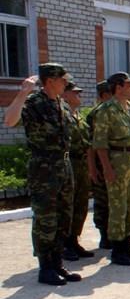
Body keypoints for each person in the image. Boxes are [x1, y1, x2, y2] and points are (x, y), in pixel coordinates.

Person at [4, 65, 81, 285]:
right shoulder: (33, 103)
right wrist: (22, 93)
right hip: (44, 167)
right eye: (62, 80)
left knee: (63, 216)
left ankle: (57, 263)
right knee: (46, 219)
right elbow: (9, 121)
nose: (66, 84)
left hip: (64, 165)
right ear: (49, 81)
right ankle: (45, 267)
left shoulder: (62, 103)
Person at [93, 72, 130, 266]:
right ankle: (117, 250)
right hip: (117, 161)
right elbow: (100, 143)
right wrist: (107, 167)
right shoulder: (106, 110)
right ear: (119, 87)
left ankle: (128, 245)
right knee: (118, 207)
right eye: (129, 85)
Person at [63, 75, 94, 260]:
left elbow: (88, 144)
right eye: (75, 93)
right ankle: (65, 243)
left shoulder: (79, 117)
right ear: (65, 95)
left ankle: (74, 240)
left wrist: (91, 168)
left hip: (81, 164)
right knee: (69, 204)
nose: (79, 95)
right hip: (70, 163)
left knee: (81, 204)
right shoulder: (64, 115)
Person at [88, 80, 113, 249]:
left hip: (116, 162)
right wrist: (93, 167)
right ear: (105, 95)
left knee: (114, 201)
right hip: (101, 163)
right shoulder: (97, 114)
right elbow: (91, 145)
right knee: (103, 200)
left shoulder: (117, 112)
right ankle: (104, 234)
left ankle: (113, 234)